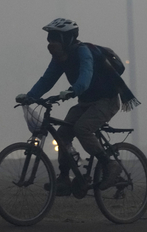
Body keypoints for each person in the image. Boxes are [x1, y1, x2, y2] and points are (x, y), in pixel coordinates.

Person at [15, 18, 125, 197]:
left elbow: (86, 75)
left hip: (107, 101)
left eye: (55, 38)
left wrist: (74, 90)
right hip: (86, 102)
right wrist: (30, 97)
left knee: (82, 128)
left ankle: (109, 164)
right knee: (62, 135)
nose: (51, 43)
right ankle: (64, 178)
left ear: (67, 38)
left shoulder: (83, 52)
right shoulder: (60, 59)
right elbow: (47, 80)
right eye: (50, 39)